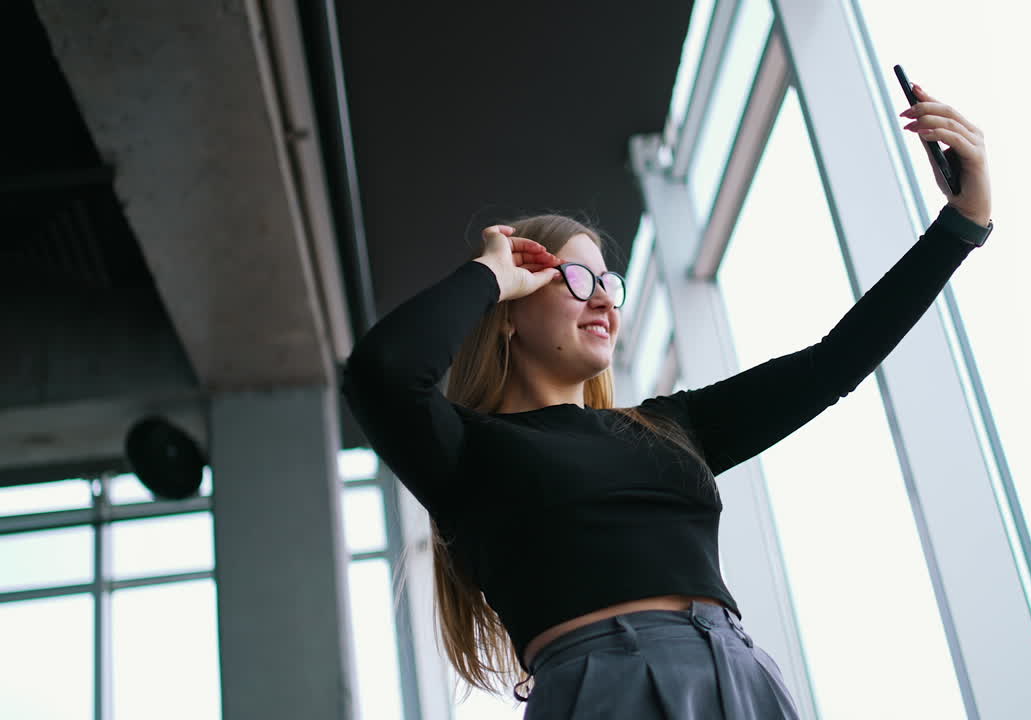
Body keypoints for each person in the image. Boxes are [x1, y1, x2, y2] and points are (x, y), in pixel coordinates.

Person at [341, 85, 992, 719]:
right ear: (508, 311)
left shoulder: (667, 426)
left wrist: (962, 223)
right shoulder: (464, 450)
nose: (601, 298)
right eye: (572, 277)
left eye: (607, 282)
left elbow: (833, 364)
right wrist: (490, 273)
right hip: (603, 688)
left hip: (739, 674)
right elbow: (382, 373)